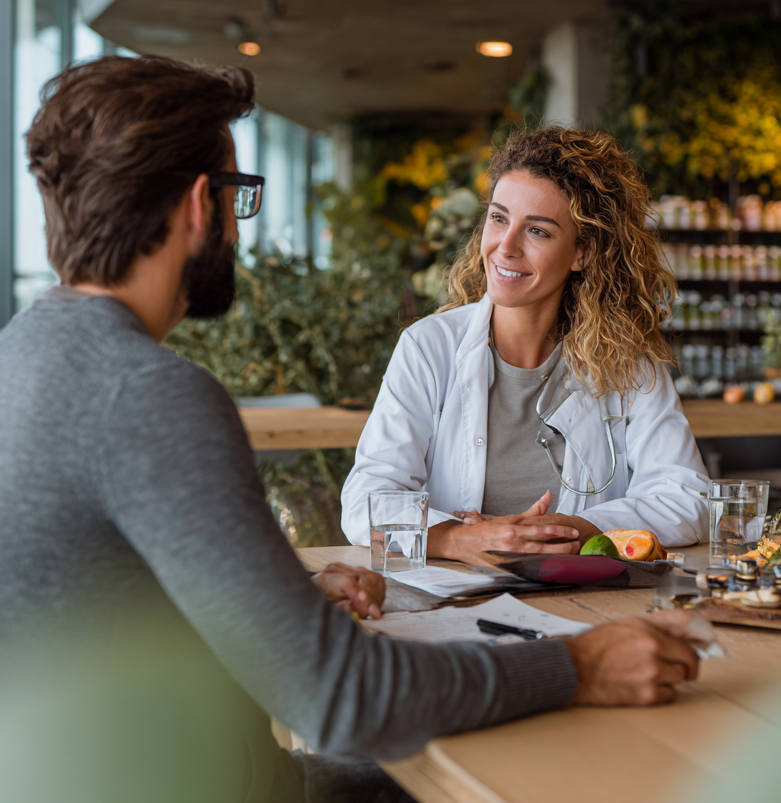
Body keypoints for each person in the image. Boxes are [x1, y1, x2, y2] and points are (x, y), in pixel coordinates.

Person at [0, 55, 706, 803]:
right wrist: (583, 667)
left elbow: (102, 593)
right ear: (202, 206)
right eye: (242, 198)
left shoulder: (22, 355)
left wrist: (285, 591)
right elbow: (344, 696)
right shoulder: (152, 394)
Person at [342, 127, 708, 564]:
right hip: (457, 605)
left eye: (537, 230)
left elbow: (689, 498)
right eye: (499, 218)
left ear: (583, 253)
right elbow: (366, 500)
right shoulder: (428, 348)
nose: (505, 247)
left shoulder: (628, 366)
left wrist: (572, 529)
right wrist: (460, 539)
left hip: (591, 605)